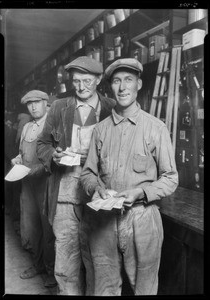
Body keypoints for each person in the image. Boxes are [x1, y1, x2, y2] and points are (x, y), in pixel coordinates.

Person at [80, 58, 179, 296]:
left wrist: (141, 192)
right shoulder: (101, 130)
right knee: (104, 287)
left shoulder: (156, 128)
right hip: (104, 218)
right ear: (110, 87)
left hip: (143, 218)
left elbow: (170, 178)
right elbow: (87, 173)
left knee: (144, 288)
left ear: (139, 84)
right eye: (116, 81)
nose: (122, 87)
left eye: (128, 80)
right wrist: (95, 187)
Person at [36, 56, 115, 295]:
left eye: (87, 81)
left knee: (99, 263)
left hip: (98, 196)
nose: (81, 87)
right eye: (76, 81)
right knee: (66, 262)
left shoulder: (111, 108)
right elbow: (42, 144)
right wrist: (53, 155)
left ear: (99, 79)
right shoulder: (60, 107)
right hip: (65, 197)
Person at [11, 90, 56, 287]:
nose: (33, 107)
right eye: (29, 104)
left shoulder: (52, 125)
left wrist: (39, 168)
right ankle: (37, 264)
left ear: (46, 103)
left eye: (37, 102)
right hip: (27, 184)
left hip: (46, 183)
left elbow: (57, 157)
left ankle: (51, 271)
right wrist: (18, 159)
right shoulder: (27, 126)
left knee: (48, 228)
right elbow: (22, 152)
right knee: (31, 227)